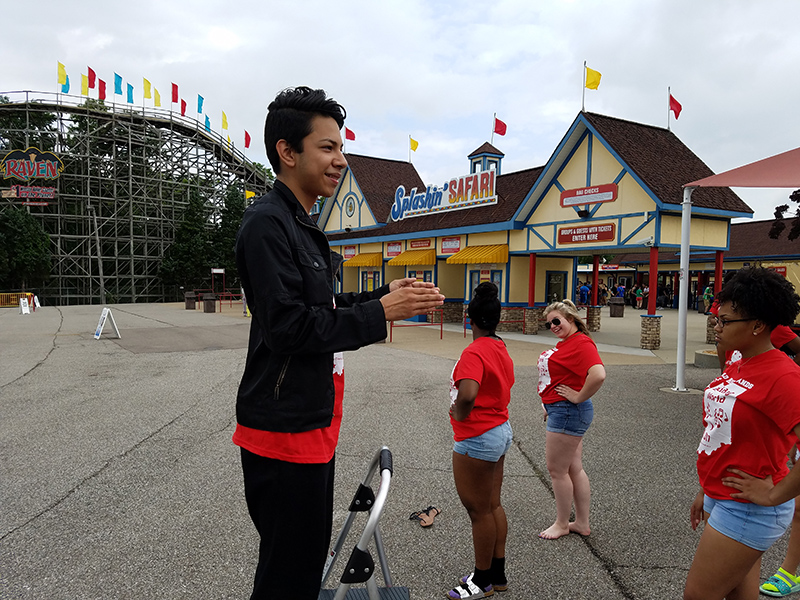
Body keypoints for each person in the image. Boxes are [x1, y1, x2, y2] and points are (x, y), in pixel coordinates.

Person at [233, 86, 445, 600]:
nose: (341, 161)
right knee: (290, 575)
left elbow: (321, 306)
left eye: (341, 148)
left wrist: (381, 295)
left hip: (311, 423)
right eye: (327, 147)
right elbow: (288, 328)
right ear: (288, 151)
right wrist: (380, 314)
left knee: (302, 564)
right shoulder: (267, 223)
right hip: (284, 432)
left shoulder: (301, 223)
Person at [684, 267, 800, 600]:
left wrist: (774, 495)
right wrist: (706, 488)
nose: (716, 326)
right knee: (738, 594)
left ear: (757, 325)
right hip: (722, 494)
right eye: (716, 319)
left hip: (750, 508)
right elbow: (720, 431)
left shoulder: (783, 377)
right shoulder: (738, 363)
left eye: (725, 321)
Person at [447, 282, 515, 599]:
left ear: (469, 319)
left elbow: (468, 393)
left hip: (477, 436)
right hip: (499, 429)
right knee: (492, 504)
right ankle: (497, 574)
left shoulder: (473, 351)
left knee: (479, 512)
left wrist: (460, 414)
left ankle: (481, 580)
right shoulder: (499, 346)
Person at [536, 299, 606, 540]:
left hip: (568, 412)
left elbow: (598, 374)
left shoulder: (581, 343)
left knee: (557, 470)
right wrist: (550, 402)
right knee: (573, 467)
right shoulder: (570, 342)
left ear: (571, 319)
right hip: (563, 410)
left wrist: (577, 397)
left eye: (557, 321)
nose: (553, 326)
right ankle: (581, 523)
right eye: (549, 324)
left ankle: (562, 523)